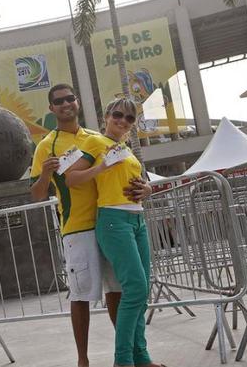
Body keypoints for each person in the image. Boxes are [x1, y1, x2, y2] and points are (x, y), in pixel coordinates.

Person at [30, 83, 121, 367]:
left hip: (109, 221)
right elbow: (36, 193)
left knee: (117, 290)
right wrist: (45, 174)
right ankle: (83, 360)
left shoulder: (96, 137)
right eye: (59, 101)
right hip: (77, 228)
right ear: (51, 109)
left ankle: (128, 354)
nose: (66, 104)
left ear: (78, 102)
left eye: (70, 98)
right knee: (81, 295)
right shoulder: (46, 145)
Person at [66, 97, 157, 367]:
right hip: (112, 221)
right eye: (118, 115)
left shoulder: (126, 148)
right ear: (106, 116)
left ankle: (141, 356)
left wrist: (148, 189)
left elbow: (139, 183)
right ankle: (123, 360)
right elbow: (71, 178)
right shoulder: (95, 143)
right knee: (136, 288)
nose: (123, 121)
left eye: (129, 118)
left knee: (142, 289)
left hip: (136, 219)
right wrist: (101, 167)